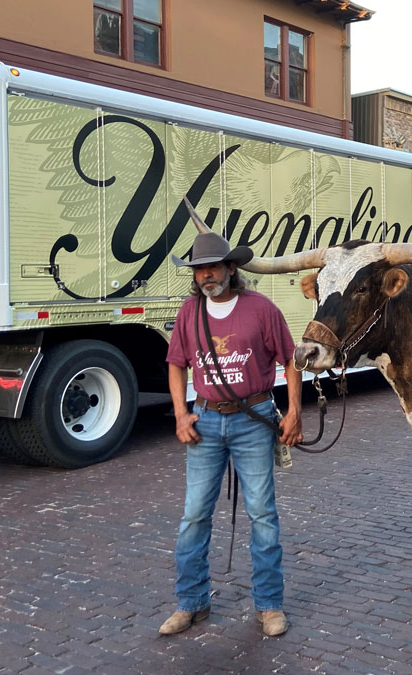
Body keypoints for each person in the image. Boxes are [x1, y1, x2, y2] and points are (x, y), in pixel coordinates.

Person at [160, 229, 303, 637]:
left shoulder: (260, 308)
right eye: (199, 269)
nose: (206, 275)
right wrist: (179, 414)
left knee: (262, 515)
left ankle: (269, 605)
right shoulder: (190, 312)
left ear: (231, 268)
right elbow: (176, 363)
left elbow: (290, 360)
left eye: (213, 267)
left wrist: (294, 411)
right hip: (204, 420)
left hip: (252, 418)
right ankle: (191, 603)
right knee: (194, 517)